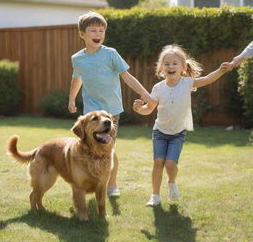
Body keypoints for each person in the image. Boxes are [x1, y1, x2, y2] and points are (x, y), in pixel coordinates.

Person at [133, 44, 232, 206]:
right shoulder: (157, 88)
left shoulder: (187, 83)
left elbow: (207, 80)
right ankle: (155, 196)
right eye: (166, 64)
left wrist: (221, 70)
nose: (170, 66)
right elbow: (148, 109)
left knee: (171, 164)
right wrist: (138, 108)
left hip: (178, 133)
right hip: (160, 131)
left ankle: (171, 182)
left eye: (174, 63)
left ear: (183, 67)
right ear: (161, 68)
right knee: (158, 162)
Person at [68, 11, 152, 197]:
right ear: (82, 34)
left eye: (101, 30)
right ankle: (89, 180)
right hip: (91, 112)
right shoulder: (78, 58)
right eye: (93, 30)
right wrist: (72, 98)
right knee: (87, 148)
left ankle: (111, 184)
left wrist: (144, 92)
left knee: (107, 148)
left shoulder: (111, 54)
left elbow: (127, 76)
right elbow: (77, 78)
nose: (98, 34)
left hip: (111, 112)